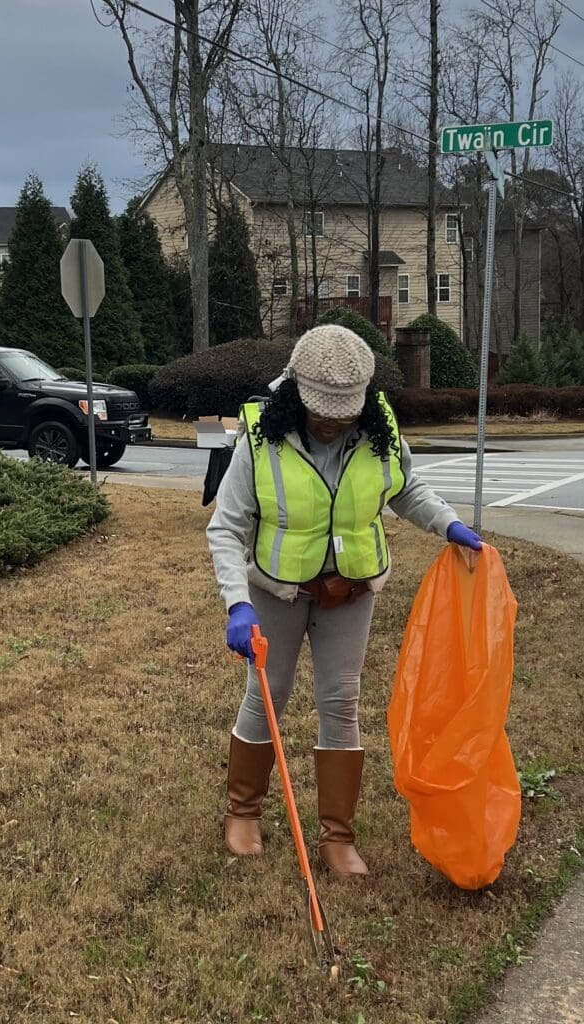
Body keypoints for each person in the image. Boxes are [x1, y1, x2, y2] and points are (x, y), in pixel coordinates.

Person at [207, 324, 482, 878]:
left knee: (341, 702)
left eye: (343, 411)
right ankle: (243, 811)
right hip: (277, 592)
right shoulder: (259, 436)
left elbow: (405, 488)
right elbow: (226, 527)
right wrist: (238, 604)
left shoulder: (378, 426)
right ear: (295, 393)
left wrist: (449, 524)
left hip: (351, 591)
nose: (332, 422)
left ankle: (337, 836)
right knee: (269, 694)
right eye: (321, 410)